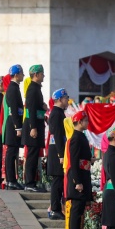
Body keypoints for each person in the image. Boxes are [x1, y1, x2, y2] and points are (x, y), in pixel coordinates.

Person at [64, 110, 94, 229]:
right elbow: (74, 161)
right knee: (76, 210)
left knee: (80, 210)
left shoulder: (81, 136)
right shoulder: (76, 138)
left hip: (83, 175)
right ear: (79, 122)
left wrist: (89, 160)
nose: (87, 123)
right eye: (85, 120)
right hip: (79, 178)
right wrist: (77, 181)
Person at [22, 64, 48, 192]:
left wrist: (43, 108)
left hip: (37, 124)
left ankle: (32, 182)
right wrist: (33, 127)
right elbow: (31, 110)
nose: (43, 76)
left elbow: (36, 107)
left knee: (34, 154)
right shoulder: (32, 89)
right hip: (33, 126)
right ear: (36, 75)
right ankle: (29, 183)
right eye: (42, 73)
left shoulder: (36, 89)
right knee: (31, 155)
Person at [47, 88, 68, 220]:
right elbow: (58, 135)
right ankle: (54, 209)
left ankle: (56, 207)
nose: (68, 100)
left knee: (59, 181)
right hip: (57, 152)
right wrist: (61, 154)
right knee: (57, 181)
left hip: (58, 150)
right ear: (60, 99)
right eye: (66, 98)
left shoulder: (59, 112)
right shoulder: (56, 113)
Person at [3, 64, 25, 190]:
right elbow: (14, 109)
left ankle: (12, 179)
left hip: (14, 123)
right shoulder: (12, 88)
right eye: (21, 73)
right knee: (11, 153)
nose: (23, 75)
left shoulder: (15, 87)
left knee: (13, 152)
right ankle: (10, 180)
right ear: (16, 74)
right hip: (13, 124)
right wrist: (18, 127)